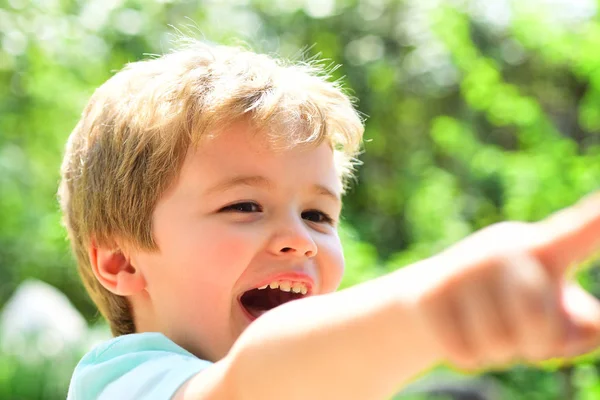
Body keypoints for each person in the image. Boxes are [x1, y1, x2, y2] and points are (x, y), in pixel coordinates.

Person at [59, 39, 600, 400]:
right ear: (122, 261)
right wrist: (429, 310)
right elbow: (257, 380)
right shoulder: (127, 383)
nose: (300, 239)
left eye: (318, 214)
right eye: (244, 205)